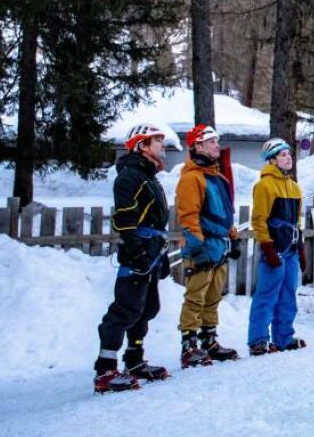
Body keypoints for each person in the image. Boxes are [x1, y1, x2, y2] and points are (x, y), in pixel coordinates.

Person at [93, 123, 173, 393]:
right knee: (125, 308)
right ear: (142, 145)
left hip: (152, 248)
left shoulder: (150, 177)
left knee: (147, 308)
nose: (163, 145)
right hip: (137, 248)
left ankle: (134, 360)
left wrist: (159, 256)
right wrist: (135, 249)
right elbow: (125, 217)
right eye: (157, 141)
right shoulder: (130, 176)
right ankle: (105, 369)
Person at [176, 123, 240, 367]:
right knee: (196, 296)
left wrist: (233, 237)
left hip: (220, 245)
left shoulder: (217, 177)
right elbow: (188, 216)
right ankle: (188, 345)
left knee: (213, 296)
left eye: (217, 141)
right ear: (198, 146)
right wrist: (197, 247)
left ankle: (209, 340)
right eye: (212, 141)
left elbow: (225, 213)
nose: (217, 145)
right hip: (202, 244)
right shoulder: (191, 178)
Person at [247, 137, 308, 356]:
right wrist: (267, 246)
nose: (288, 157)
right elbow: (259, 220)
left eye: (289, 154)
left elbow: (297, 221)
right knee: (267, 294)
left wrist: (300, 247)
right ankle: (258, 340)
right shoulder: (264, 185)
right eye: (282, 154)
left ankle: (283, 337)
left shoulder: (294, 187)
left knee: (288, 294)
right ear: (271, 160)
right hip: (275, 248)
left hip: (290, 248)